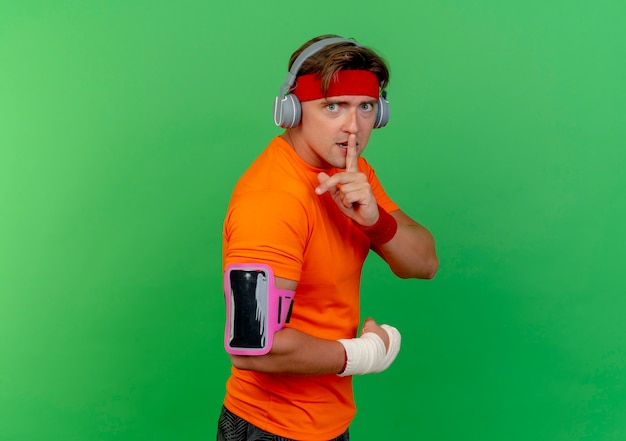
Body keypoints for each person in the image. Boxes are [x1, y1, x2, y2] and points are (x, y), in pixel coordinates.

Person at [217, 34, 439, 441]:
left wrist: (376, 223)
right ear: (291, 110)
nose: (352, 127)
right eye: (333, 107)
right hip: (271, 428)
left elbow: (425, 264)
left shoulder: (352, 173)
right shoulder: (272, 201)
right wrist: (365, 354)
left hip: (328, 421)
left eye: (366, 108)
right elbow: (252, 347)